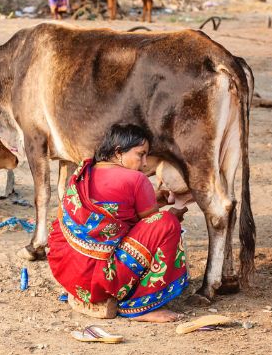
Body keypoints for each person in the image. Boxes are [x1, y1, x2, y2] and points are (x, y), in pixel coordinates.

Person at [48, 124, 188, 323]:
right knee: (166, 223)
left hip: (69, 273)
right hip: (102, 279)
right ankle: (141, 307)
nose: (146, 163)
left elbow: (117, 211)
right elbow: (151, 223)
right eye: (141, 154)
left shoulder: (83, 173)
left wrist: (152, 199)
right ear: (118, 152)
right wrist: (173, 214)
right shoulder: (137, 180)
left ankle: (85, 296)